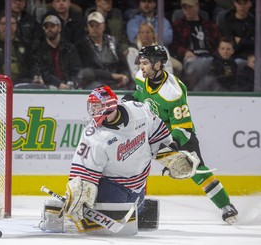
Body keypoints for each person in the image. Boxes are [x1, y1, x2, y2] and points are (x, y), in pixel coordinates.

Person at [39, 85, 184, 233]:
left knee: (133, 216)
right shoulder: (93, 136)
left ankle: (139, 207)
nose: (92, 110)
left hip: (139, 184)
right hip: (112, 185)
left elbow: (157, 134)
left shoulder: (139, 111)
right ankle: (74, 218)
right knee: (108, 221)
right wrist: (79, 192)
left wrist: (170, 154)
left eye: (96, 106)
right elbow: (83, 172)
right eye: (92, 106)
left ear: (109, 105)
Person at [124, 45, 238, 224]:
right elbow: (140, 96)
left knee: (197, 171)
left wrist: (172, 146)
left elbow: (182, 127)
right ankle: (133, 206)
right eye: (141, 63)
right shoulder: (141, 77)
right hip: (153, 130)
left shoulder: (173, 92)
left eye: (145, 63)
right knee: (135, 164)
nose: (141, 67)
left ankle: (226, 206)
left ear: (158, 65)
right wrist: (130, 99)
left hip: (179, 135)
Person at [170, 0, 221, 90]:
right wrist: (185, 52)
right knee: (199, 67)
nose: (187, 10)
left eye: (190, 7)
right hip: (191, 59)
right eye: (185, 8)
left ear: (197, 6)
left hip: (209, 57)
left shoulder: (210, 26)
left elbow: (218, 44)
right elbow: (174, 45)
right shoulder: (178, 25)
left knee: (210, 78)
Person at [75, 11, 130, 90]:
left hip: (115, 81)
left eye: (97, 25)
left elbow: (123, 65)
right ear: (87, 27)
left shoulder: (113, 42)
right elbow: (87, 70)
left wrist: (125, 76)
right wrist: (111, 75)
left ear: (103, 26)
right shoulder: (82, 45)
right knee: (101, 89)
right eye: (91, 26)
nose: (94, 28)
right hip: (95, 81)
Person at [30, 15, 82, 89]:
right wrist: (59, 84)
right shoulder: (40, 50)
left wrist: (71, 83)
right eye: (46, 27)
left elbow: (77, 70)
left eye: (52, 26)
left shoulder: (69, 48)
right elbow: (44, 72)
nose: (49, 29)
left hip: (69, 85)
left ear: (59, 28)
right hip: (49, 86)